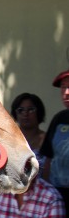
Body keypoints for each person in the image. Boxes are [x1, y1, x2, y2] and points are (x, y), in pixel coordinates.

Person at [41, 67, 69, 206]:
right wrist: (47, 192)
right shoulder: (59, 119)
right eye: (63, 88)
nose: (66, 93)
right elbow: (48, 158)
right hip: (59, 194)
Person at [11, 92, 47, 170]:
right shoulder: (9, 140)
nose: (25, 114)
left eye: (31, 109)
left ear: (39, 112)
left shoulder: (47, 139)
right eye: (21, 110)